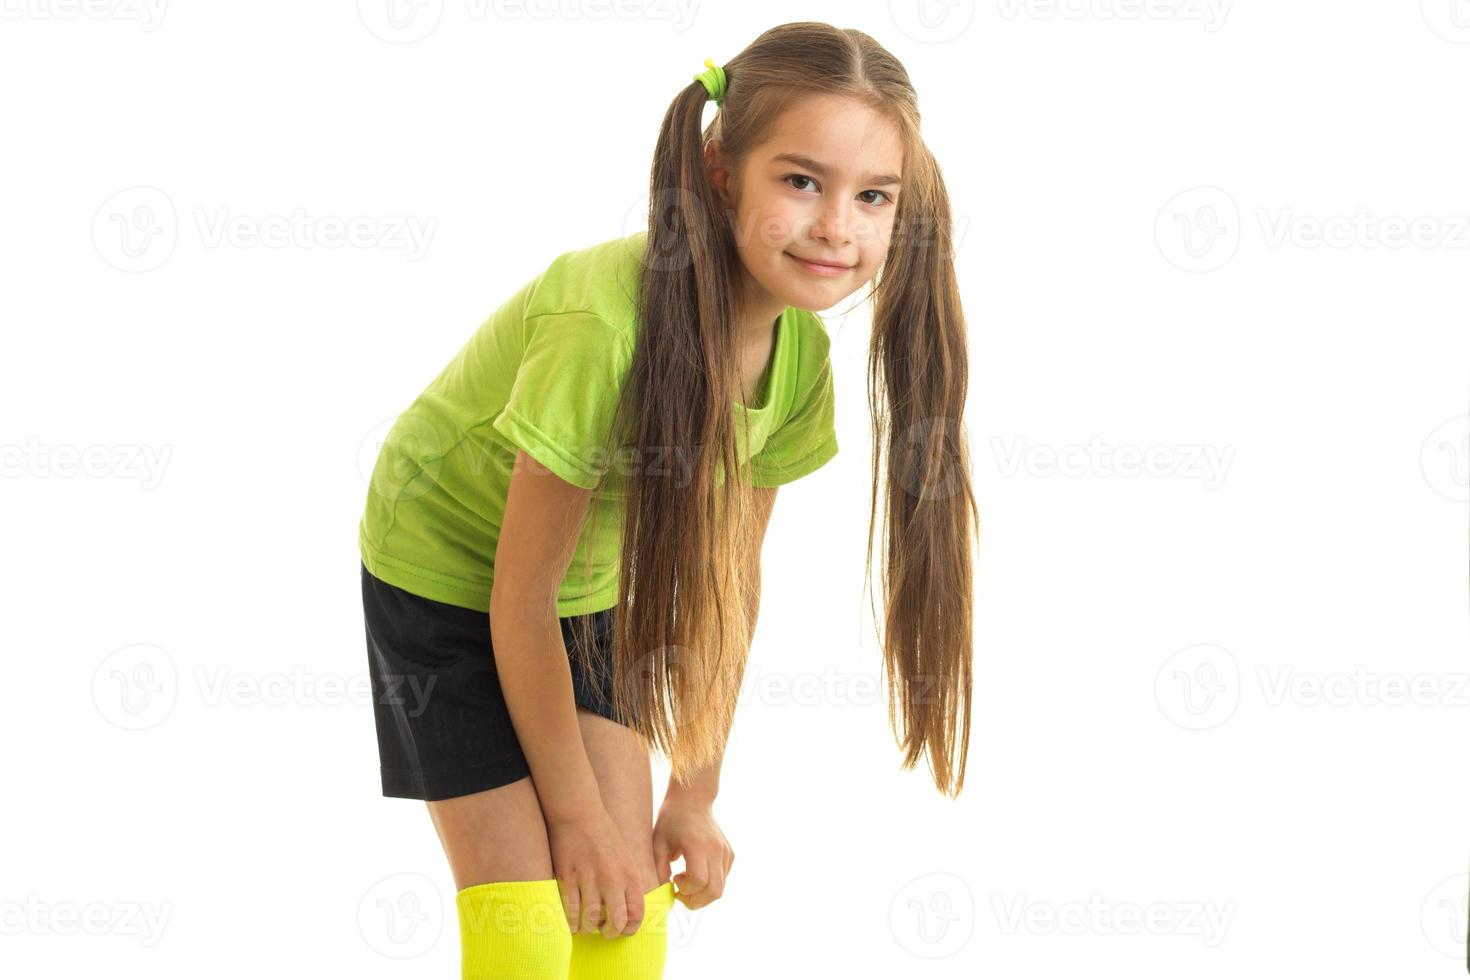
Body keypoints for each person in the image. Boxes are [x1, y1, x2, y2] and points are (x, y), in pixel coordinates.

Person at [357, 20, 977, 979]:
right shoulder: (604, 325)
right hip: (446, 573)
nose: (837, 227)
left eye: (874, 197)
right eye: (801, 180)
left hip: (588, 586)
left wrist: (693, 791)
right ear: (720, 169)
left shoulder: (799, 363)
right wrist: (573, 817)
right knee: (533, 916)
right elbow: (518, 600)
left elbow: (729, 588)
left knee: (626, 904)